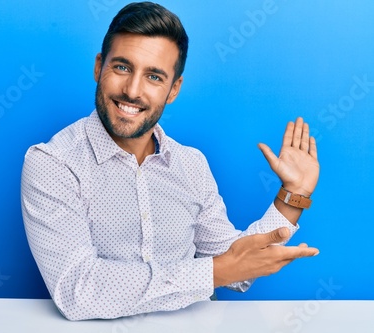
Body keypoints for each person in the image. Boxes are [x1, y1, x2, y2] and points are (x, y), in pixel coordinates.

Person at [21, 2, 320, 321]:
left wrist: (293, 193)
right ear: (99, 67)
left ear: (173, 89)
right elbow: (78, 291)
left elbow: (236, 269)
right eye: (122, 67)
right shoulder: (52, 163)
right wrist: (212, 273)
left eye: (154, 76)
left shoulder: (191, 165)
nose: (132, 90)